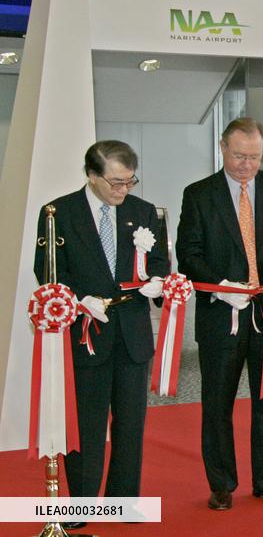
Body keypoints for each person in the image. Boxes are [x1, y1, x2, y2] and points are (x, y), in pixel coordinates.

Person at [33, 140, 168, 530]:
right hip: (86, 331)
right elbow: (48, 271)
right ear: (91, 175)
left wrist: (157, 282)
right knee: (88, 425)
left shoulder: (143, 212)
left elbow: (159, 260)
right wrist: (78, 300)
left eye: (129, 181)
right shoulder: (58, 213)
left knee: (131, 425)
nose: (123, 191)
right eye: (114, 182)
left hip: (132, 333)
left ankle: (124, 502)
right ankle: (80, 507)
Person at [176, 117, 263, 510]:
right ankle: (221, 484)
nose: (247, 164)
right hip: (221, 314)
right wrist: (220, 284)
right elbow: (189, 253)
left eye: (254, 156)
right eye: (238, 156)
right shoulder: (199, 194)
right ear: (222, 147)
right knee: (218, 403)